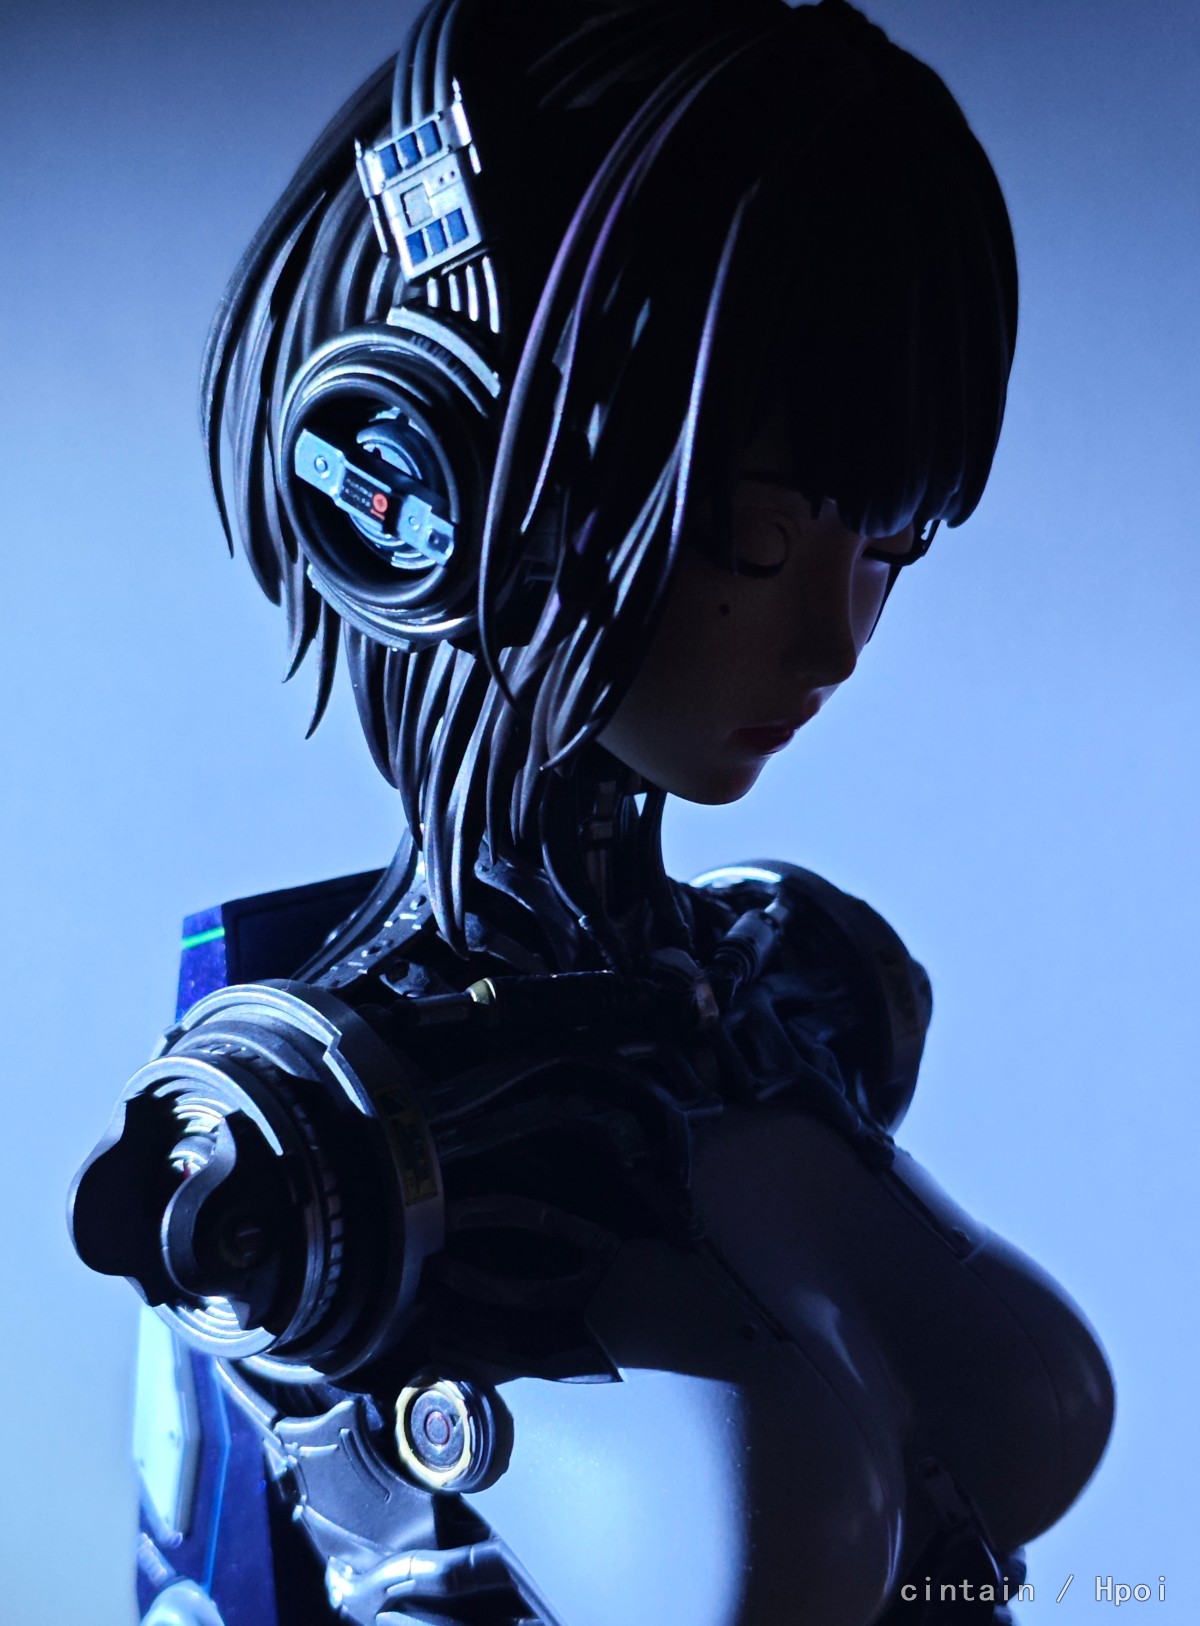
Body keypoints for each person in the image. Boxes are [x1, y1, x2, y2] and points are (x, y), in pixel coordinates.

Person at [69, 1, 1115, 1622]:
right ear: (443, 475)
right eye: (764, 540)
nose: (838, 638)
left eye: (885, 547)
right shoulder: (307, 1156)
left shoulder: (788, 994)